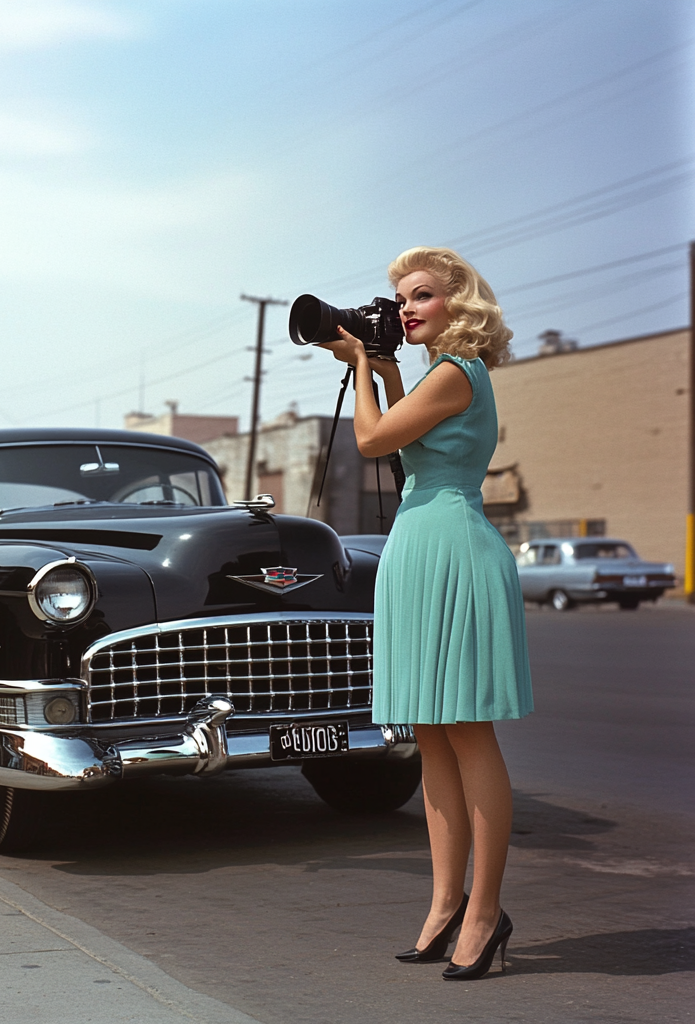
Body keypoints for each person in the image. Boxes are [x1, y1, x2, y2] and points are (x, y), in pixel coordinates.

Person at [320, 246, 533, 982]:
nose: (406, 308)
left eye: (422, 296)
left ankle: (485, 911)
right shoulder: (438, 376)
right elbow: (410, 445)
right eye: (401, 298)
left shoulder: (458, 371)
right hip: (419, 544)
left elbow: (375, 440)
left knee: (467, 732)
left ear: (459, 303)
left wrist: (359, 375)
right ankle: (445, 905)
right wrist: (380, 371)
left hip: (453, 548)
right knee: (433, 735)